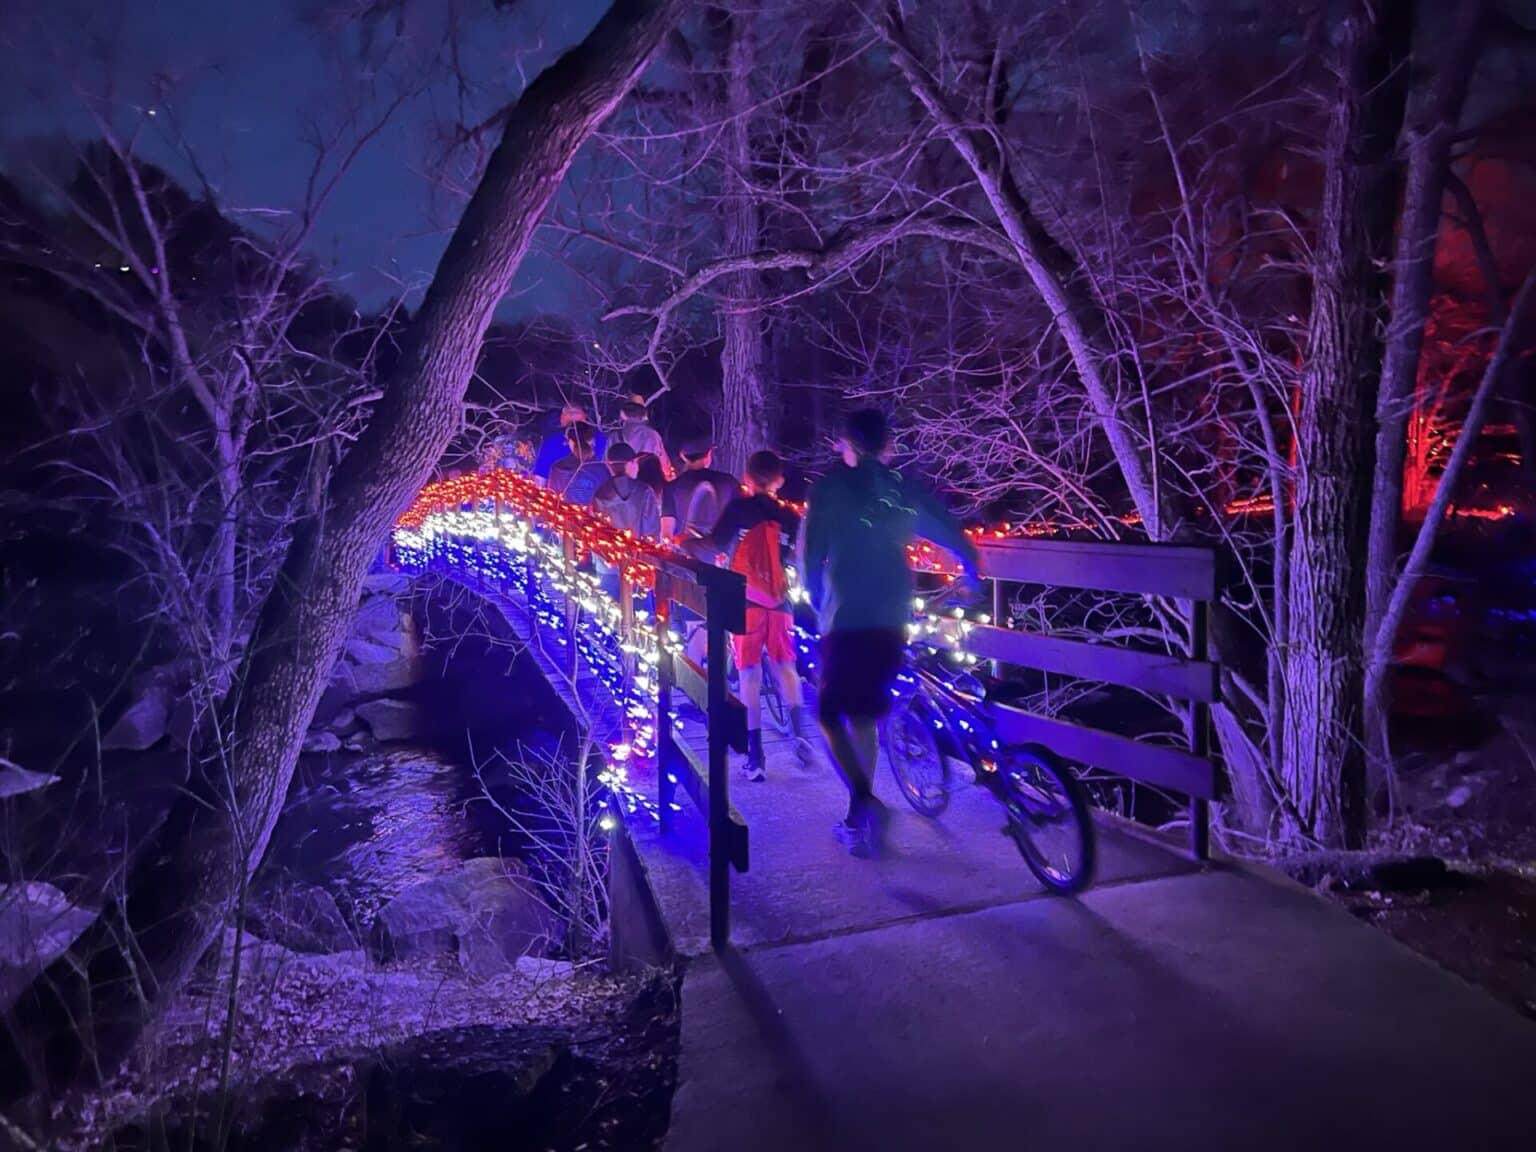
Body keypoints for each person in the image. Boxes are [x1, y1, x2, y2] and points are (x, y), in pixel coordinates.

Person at [799, 408, 980, 857]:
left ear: (847, 444)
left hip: (847, 617)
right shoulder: (902, 488)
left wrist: (817, 598)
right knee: (862, 715)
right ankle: (858, 816)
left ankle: (863, 802)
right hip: (894, 614)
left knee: (828, 715)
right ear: (887, 446)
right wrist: (971, 563)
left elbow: (809, 555)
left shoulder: (830, 488)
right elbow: (944, 526)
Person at [698, 450, 813, 780]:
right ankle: (799, 733)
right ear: (778, 479)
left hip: (745, 600)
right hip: (779, 602)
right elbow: (794, 557)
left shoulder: (738, 509)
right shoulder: (790, 515)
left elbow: (713, 546)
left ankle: (756, 756)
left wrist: (685, 544)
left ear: (747, 478)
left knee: (749, 675)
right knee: (786, 666)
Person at [661, 437, 739, 547]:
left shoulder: (671, 488)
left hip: (684, 558)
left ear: (683, 456)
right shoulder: (729, 482)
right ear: (708, 455)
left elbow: (666, 536)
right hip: (721, 558)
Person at [592, 443, 661, 541]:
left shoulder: (601, 492)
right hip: (639, 552)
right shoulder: (644, 491)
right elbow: (652, 532)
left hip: (609, 551)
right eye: (636, 462)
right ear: (631, 462)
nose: (637, 467)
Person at [535, 403, 607, 481]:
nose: (575, 428)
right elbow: (540, 477)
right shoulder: (553, 443)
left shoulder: (599, 438)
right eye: (571, 423)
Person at [548, 422, 609, 506]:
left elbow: (553, 501)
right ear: (591, 441)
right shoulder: (602, 469)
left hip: (565, 516)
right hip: (593, 518)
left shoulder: (559, 469)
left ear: (571, 442)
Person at [618, 397, 673, 480]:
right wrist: (668, 474)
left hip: (627, 480)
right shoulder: (651, 433)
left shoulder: (616, 435)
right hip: (650, 477)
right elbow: (662, 458)